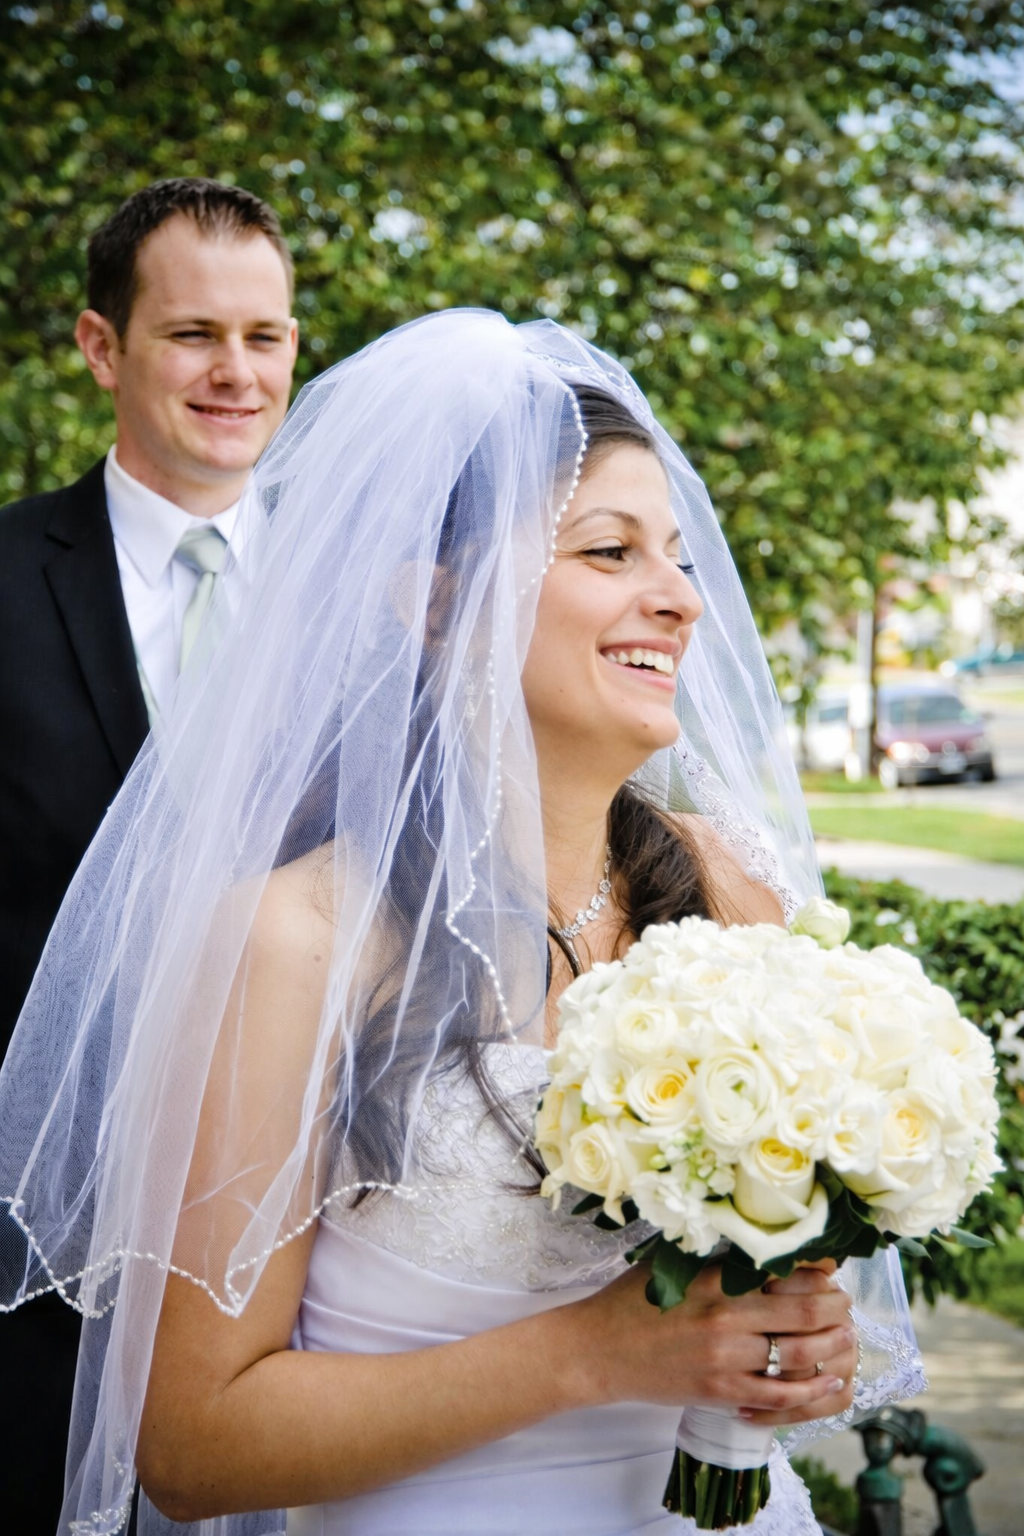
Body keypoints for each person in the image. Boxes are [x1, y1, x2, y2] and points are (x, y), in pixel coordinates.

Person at [0, 311, 923, 1535]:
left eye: (681, 559)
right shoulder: (301, 941)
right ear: (433, 605)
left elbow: (790, 1300)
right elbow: (191, 1444)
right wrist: (598, 1356)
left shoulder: (729, 892)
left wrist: (796, 1346)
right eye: (609, 552)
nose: (679, 601)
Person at [0, 177, 298, 1532]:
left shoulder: (379, 605)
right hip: (36, 1263)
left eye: (268, 336)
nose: (236, 373)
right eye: (193, 335)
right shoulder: (7, 580)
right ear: (101, 346)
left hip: (313, 1250)